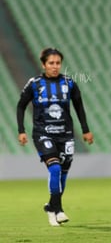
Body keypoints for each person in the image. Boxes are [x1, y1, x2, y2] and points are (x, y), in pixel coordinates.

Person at [16, 48, 94, 226]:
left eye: (58, 63)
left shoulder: (69, 83)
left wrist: (85, 130)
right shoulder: (34, 84)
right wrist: (21, 130)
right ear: (43, 64)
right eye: (51, 63)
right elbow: (21, 106)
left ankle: (51, 206)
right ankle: (58, 210)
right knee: (55, 169)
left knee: (63, 174)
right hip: (43, 134)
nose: (55, 66)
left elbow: (79, 107)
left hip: (66, 134)